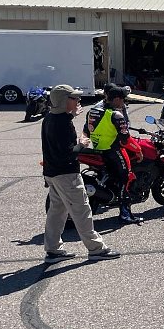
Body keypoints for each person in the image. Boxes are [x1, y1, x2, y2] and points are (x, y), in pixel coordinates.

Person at [41, 85, 121, 263]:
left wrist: (71, 115)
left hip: (53, 173)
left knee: (57, 212)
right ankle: (96, 249)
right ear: (63, 101)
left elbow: (49, 148)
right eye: (74, 98)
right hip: (67, 174)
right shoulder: (62, 123)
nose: (78, 100)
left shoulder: (50, 117)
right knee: (82, 211)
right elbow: (68, 153)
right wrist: (82, 144)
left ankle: (53, 250)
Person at [84, 84, 143, 224]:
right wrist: (138, 150)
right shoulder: (116, 115)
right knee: (126, 178)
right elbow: (125, 139)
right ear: (116, 99)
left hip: (98, 149)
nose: (124, 102)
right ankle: (125, 214)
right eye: (123, 99)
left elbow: (87, 129)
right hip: (113, 151)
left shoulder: (93, 111)